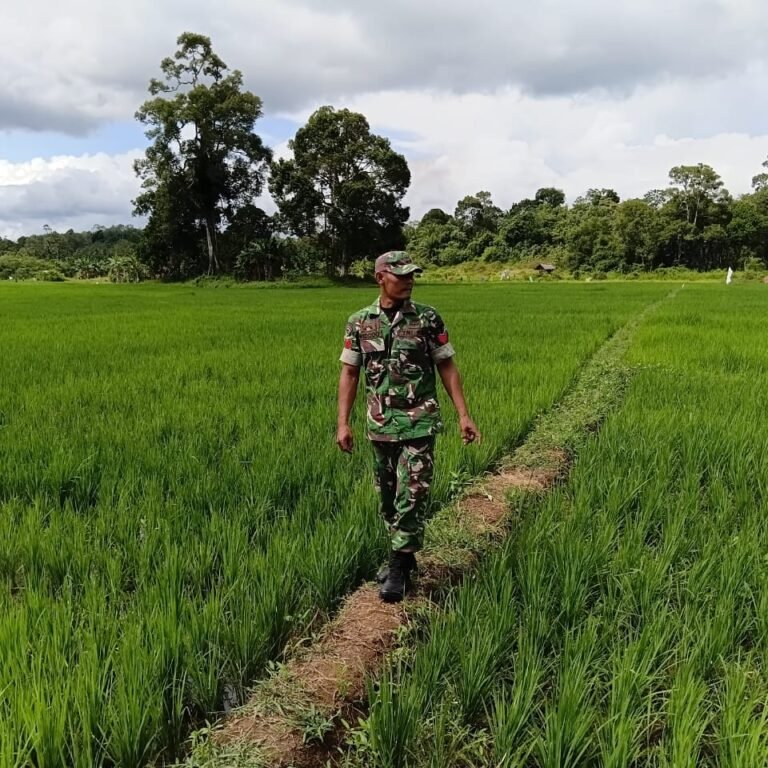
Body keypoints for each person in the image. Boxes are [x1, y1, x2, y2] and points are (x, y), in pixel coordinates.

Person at [336, 251, 481, 603]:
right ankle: (406, 554)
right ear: (380, 278)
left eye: (412, 274)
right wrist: (342, 422)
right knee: (388, 498)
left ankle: (399, 565)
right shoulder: (359, 323)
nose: (409, 280)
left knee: (412, 492)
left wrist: (464, 414)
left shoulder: (428, 319)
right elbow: (350, 372)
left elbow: (447, 367)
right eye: (401, 275)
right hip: (380, 424)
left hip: (420, 421)